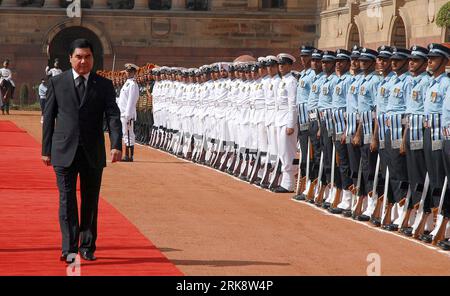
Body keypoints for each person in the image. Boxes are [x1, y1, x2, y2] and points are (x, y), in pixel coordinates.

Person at [42, 38, 123, 263]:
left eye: (87, 57)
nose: (83, 61)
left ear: (93, 58)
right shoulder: (57, 82)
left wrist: (116, 144)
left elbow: (113, 116)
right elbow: (49, 117)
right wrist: (45, 149)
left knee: (90, 200)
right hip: (63, 150)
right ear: (70, 58)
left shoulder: (103, 84)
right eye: (78, 57)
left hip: (92, 152)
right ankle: (69, 248)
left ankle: (87, 246)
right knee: (66, 200)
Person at [117, 63, 140, 162]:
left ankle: (129, 155)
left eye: (130, 71)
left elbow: (131, 100)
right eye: (127, 71)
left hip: (127, 114)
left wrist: (128, 114)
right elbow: (123, 99)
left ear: (134, 72)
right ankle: (126, 154)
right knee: (125, 133)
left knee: (129, 133)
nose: (128, 73)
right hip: (123, 113)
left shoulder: (133, 84)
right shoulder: (127, 83)